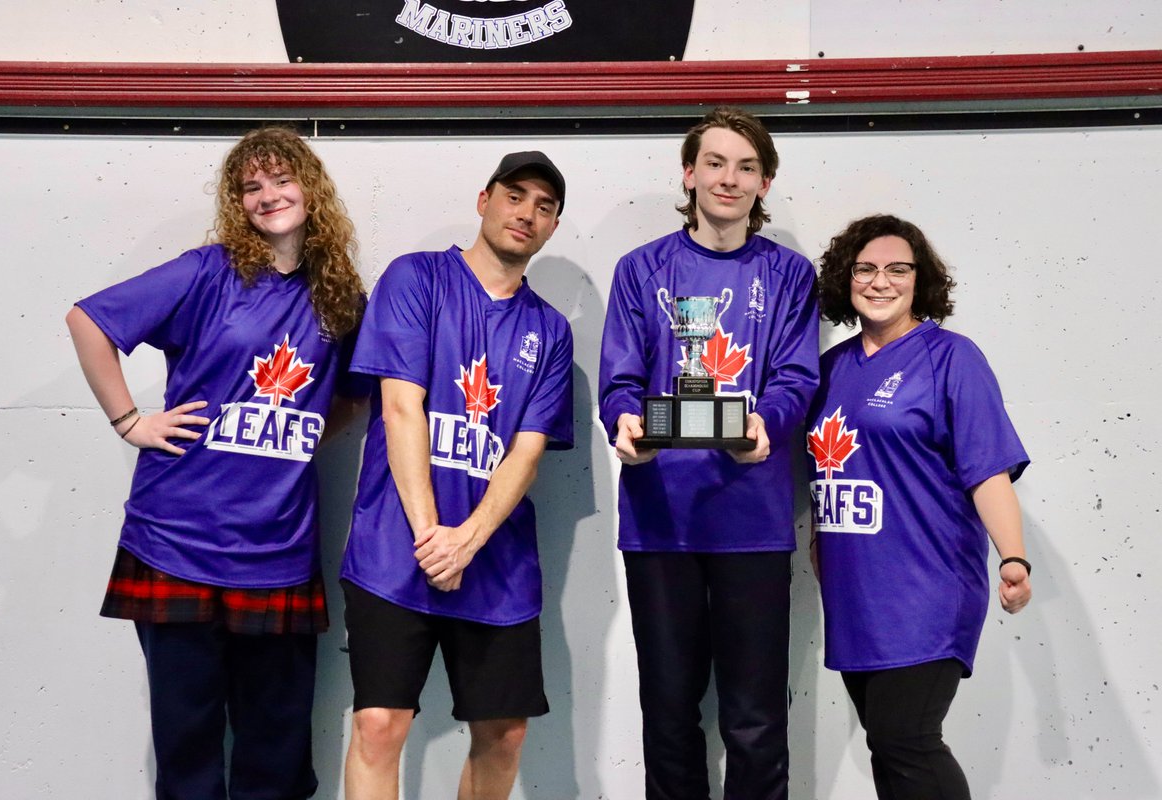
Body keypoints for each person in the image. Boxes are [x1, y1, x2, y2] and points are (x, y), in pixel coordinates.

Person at [65, 127, 366, 800]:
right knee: (189, 753)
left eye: (281, 180)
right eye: (250, 187)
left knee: (278, 757)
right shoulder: (207, 271)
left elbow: (353, 397)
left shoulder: (340, 296)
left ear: (310, 188)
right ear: (236, 203)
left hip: (280, 552)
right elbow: (88, 320)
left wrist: (302, 431)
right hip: (177, 542)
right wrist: (130, 422)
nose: (268, 196)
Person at [598, 106, 819, 800]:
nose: (729, 178)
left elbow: (795, 376)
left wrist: (768, 427)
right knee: (668, 714)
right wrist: (625, 424)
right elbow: (621, 381)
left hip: (751, 523)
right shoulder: (641, 270)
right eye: (716, 163)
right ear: (689, 174)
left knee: (755, 721)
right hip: (660, 521)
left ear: (765, 182)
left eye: (746, 166)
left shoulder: (789, 275)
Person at [339, 151, 574, 800]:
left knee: (504, 733)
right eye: (515, 195)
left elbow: (527, 452)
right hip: (395, 550)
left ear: (553, 227)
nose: (527, 212)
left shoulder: (550, 332)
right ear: (484, 199)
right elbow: (399, 405)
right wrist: (432, 539)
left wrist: (466, 539)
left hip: (494, 562)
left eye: (545, 206)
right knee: (380, 724)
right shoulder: (416, 279)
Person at [807, 214, 1033, 800]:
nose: (880, 281)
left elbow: (987, 469)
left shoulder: (952, 359)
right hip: (855, 593)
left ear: (920, 279)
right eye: (865, 268)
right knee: (889, 744)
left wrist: (1014, 558)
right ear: (846, 278)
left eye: (897, 269)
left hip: (926, 589)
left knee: (906, 737)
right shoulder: (829, 371)